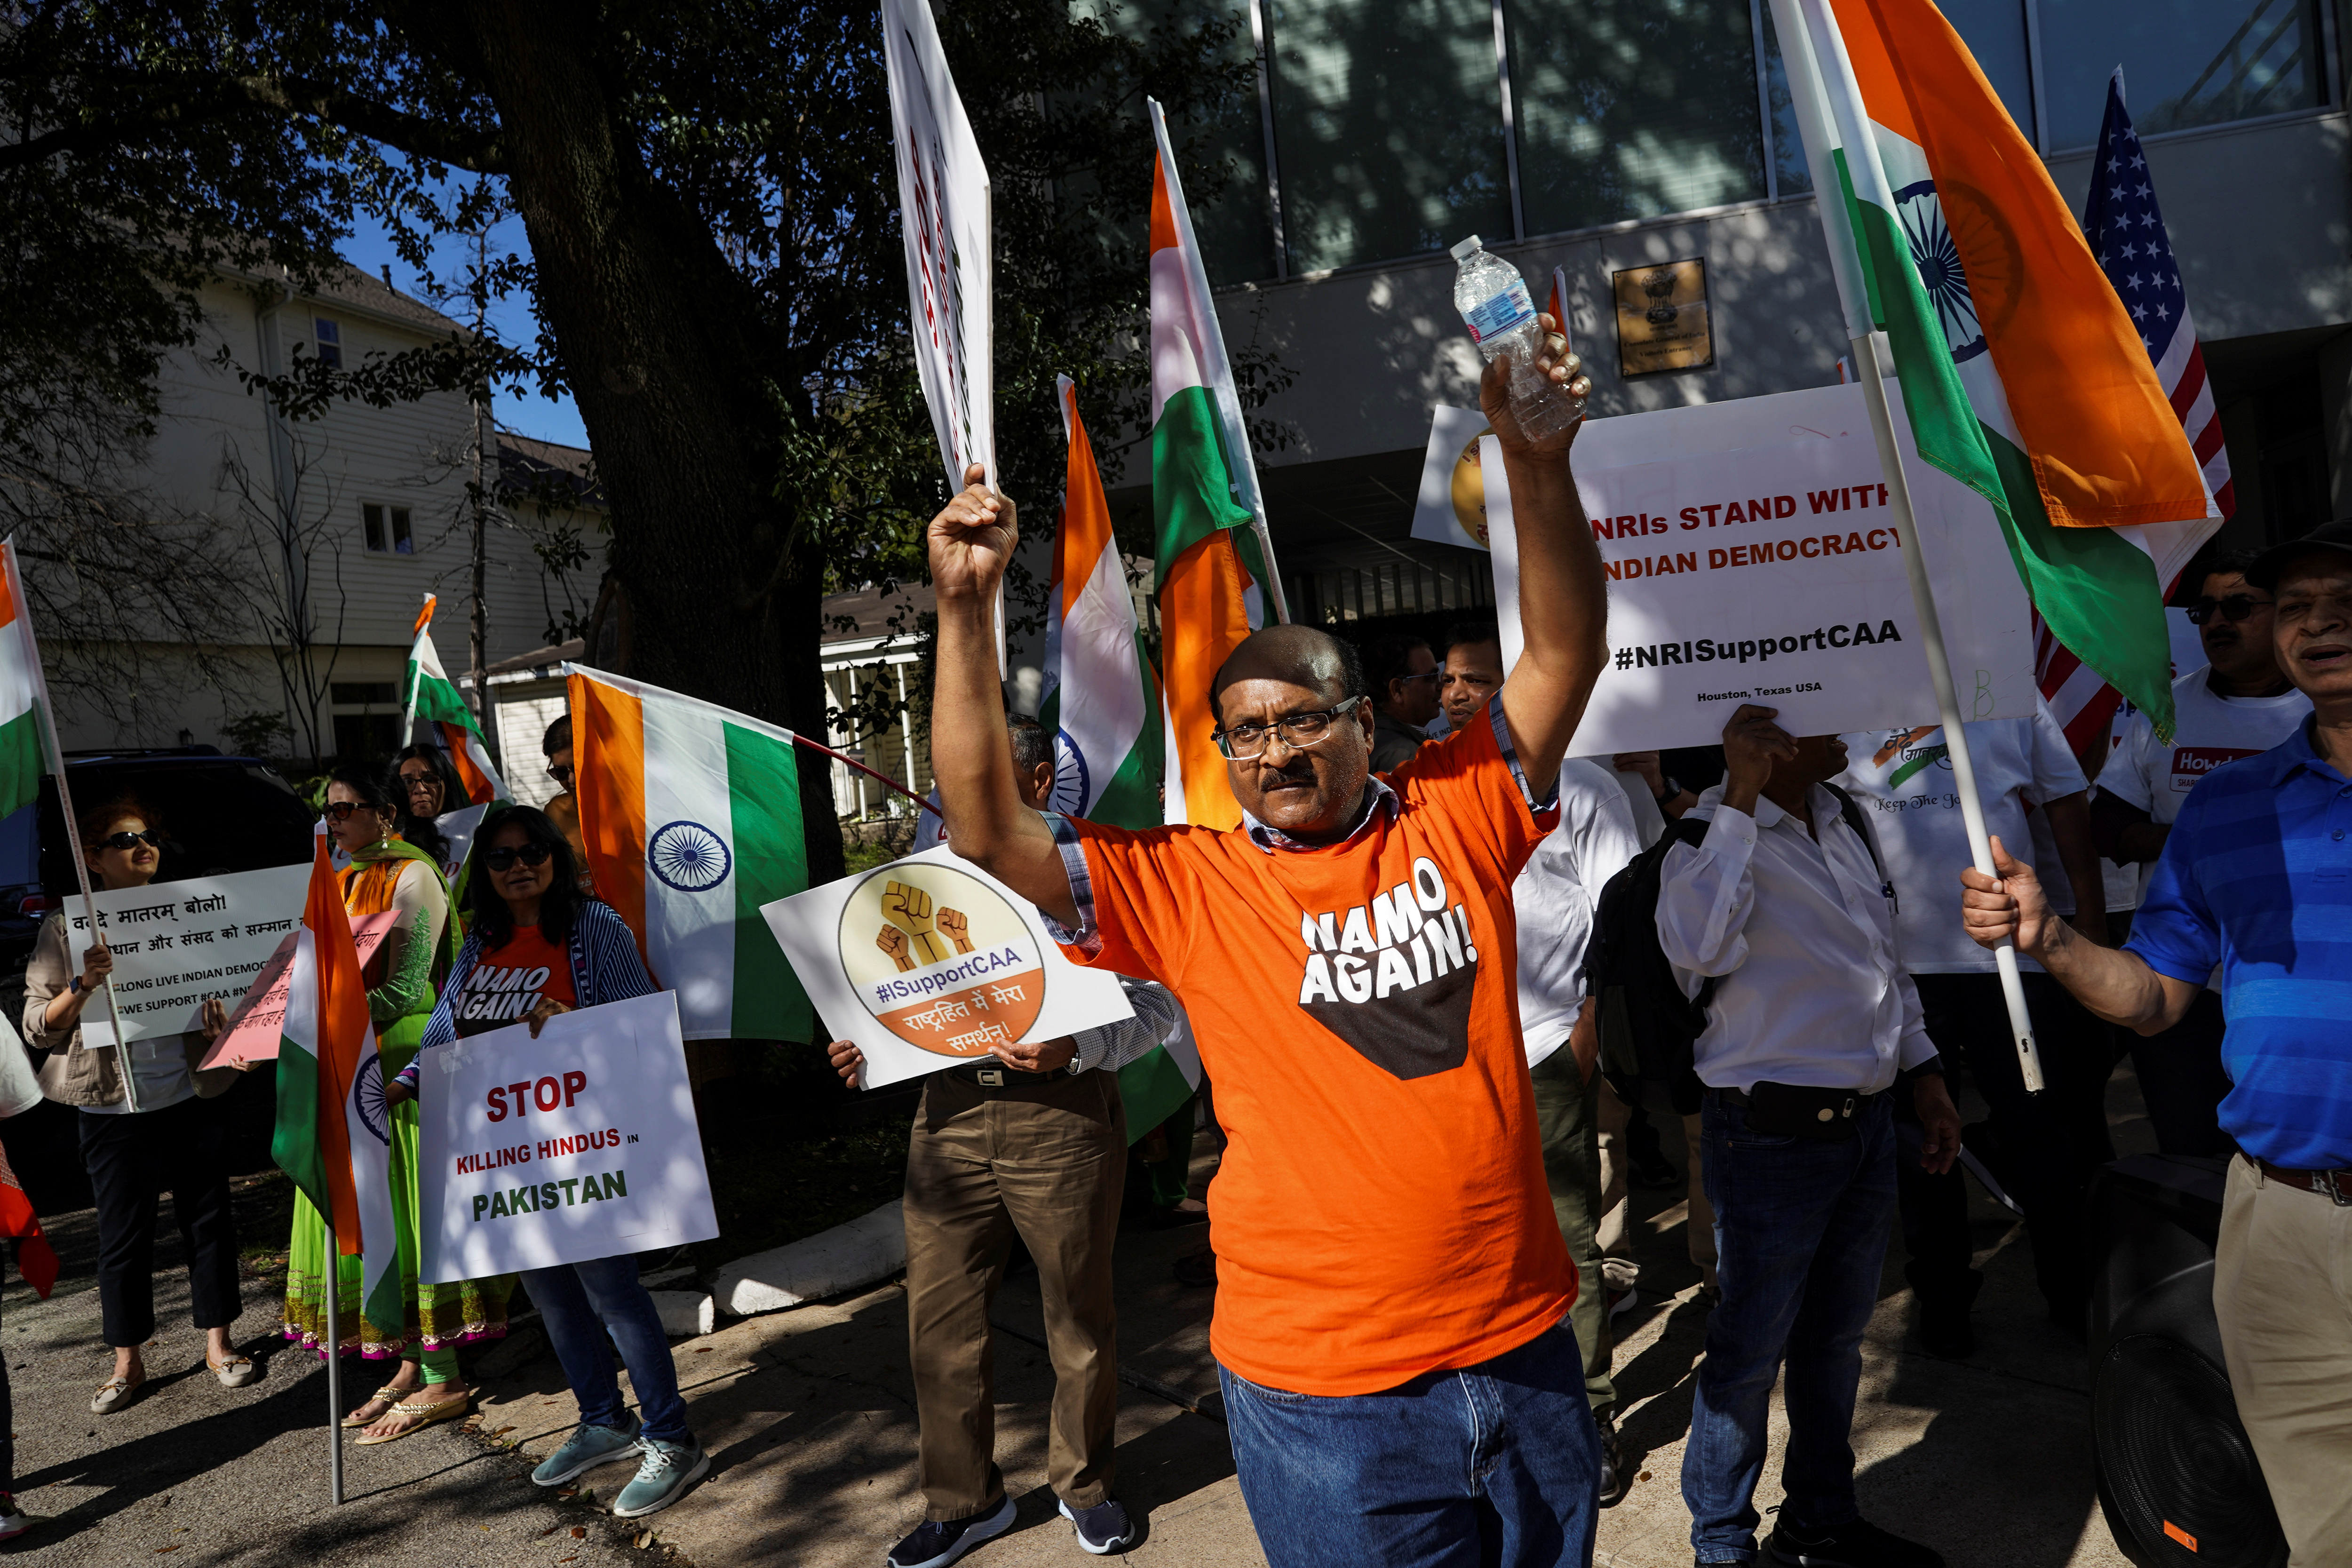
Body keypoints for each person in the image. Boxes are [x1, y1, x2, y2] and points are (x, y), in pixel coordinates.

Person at [925, 326, 1609, 1566]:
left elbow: (1564, 653)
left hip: (1527, 1354)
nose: (1278, 752)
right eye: (1244, 736)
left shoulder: (1461, 811)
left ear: (1363, 720)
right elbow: (984, 827)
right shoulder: (1186, 884)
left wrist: (1534, 462)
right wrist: (966, 610)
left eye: (1304, 720)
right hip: (1327, 1397)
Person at [1960, 518, 2352, 1567]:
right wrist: (2050, 938)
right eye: (2298, 605)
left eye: (2345, 599)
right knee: (2321, 1531)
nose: (2321, 624)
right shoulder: (2224, 810)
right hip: (2283, 1228)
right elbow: (2151, 998)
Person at [826, 716, 1188, 1567]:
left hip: (1060, 1118)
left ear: (1036, 782)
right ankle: (964, 1503)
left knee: (1078, 1318)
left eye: (983, 779)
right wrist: (862, 1048)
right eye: (954, 783)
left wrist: (1078, 1045)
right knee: (938, 1323)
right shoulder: (918, 882)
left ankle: (1086, 1487)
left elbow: (1162, 1005)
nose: (960, 800)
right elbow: (896, 1000)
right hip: (946, 1119)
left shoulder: (1091, 873)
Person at [1661, 708, 1960, 1568]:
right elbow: (1695, 944)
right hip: (1769, 1138)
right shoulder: (1708, 831)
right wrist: (1742, 794)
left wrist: (1927, 1072)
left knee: (1834, 1340)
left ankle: (1821, 1515)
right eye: (1833, 713)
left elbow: (1884, 963)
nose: (1855, 727)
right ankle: (1722, 1545)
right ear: (1778, 734)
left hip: (1863, 1127)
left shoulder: (1846, 816)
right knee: (1749, 1349)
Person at [389, 804, 706, 1520]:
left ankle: (673, 1437)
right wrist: (407, 1081)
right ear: (485, 872)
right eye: (500, 858)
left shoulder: (595, 927)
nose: (518, 865)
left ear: (555, 855)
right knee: (552, 1295)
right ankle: (604, 1420)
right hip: (507, 1153)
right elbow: (445, 1034)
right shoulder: (480, 944)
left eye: (532, 850)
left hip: (584, 1142)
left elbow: (642, 1023)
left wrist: (577, 1026)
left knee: (612, 1292)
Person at [1835, 705, 2114, 1351]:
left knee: (2041, 1134)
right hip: (1895, 968)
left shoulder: (2007, 689)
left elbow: (2066, 802)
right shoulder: (1844, 693)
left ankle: (2072, 1293)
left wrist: (2090, 922)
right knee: (1922, 1149)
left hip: (2010, 964)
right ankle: (1943, 1302)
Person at [282, 763, 509, 1444]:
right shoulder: (341, 880)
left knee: (404, 1220)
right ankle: (409, 1359)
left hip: (400, 1068)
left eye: (348, 809)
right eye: (329, 812)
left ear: (386, 815)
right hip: (345, 1063)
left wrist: (327, 1021)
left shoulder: (413, 876)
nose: (336, 822)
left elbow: (411, 989)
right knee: (370, 1217)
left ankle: (444, 1373)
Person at [23, 795, 246, 1415]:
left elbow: (229, 996)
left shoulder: (190, 913)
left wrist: (224, 1029)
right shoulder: (65, 931)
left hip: (190, 1094)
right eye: (125, 839)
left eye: (149, 835)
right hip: (110, 1108)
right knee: (123, 1238)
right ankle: (127, 1363)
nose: (142, 846)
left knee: (209, 1224)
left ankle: (220, 1345)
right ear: (93, 857)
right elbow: (39, 1027)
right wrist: (83, 983)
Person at [2091, 549, 2311, 1156]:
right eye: (2204, 610)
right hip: (2178, 985)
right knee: (2191, 1155)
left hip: (2290, 985)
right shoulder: (2163, 708)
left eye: (2239, 606)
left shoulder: (2325, 711)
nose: (2218, 621)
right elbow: (2106, 822)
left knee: (2290, 1160)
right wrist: (2197, 842)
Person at [1513, 753, 1646, 1505]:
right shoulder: (1414, 779)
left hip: (1545, 1049)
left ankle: (1591, 1414)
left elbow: (1623, 914)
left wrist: (1586, 1031)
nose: (1461, 695)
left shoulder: (1582, 784)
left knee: (1567, 1240)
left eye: (1479, 678)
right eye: (1450, 680)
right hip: (1442, 1059)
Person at [1366, 633, 1443, 772]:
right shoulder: (1405, 755)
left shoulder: (1371, 740)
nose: (1441, 686)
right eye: (1431, 678)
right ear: (1398, 690)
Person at [390, 742, 467, 870]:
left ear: (447, 784)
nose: (420, 789)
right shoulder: (385, 844)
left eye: (430, 779)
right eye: (408, 782)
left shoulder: (475, 836)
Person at [540, 714, 595, 890]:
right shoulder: (555, 812)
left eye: (578, 768)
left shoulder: (633, 803)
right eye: (561, 772)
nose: (571, 780)